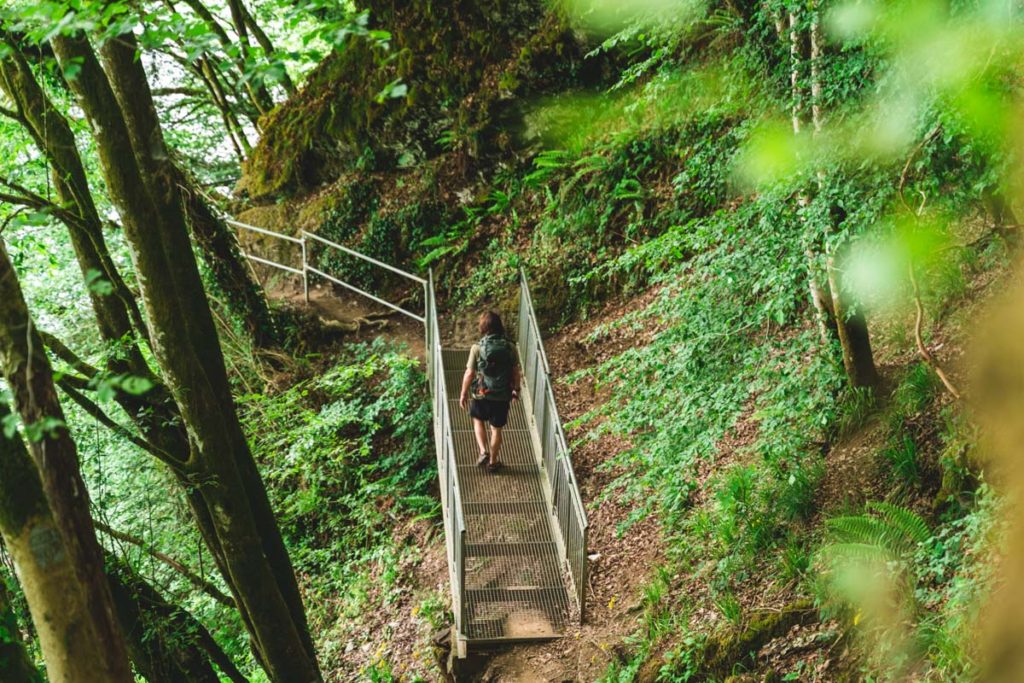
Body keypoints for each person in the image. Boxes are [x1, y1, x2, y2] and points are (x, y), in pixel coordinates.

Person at [459, 310, 521, 472]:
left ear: (483, 327)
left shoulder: (477, 348)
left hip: (482, 393)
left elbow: (469, 373)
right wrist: (516, 389)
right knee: (496, 429)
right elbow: (516, 372)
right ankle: (493, 462)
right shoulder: (510, 347)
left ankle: (483, 451)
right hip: (502, 395)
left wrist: (463, 392)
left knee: (477, 419)